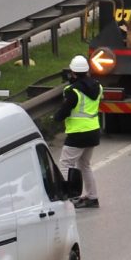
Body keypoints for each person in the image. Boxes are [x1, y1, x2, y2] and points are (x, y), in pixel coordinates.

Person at [58, 55, 103, 208]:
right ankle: (92, 197)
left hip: (78, 134)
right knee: (84, 165)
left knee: (65, 164)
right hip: (93, 132)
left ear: (73, 72)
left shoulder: (72, 91)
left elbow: (64, 111)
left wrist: (56, 118)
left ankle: (66, 199)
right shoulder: (98, 86)